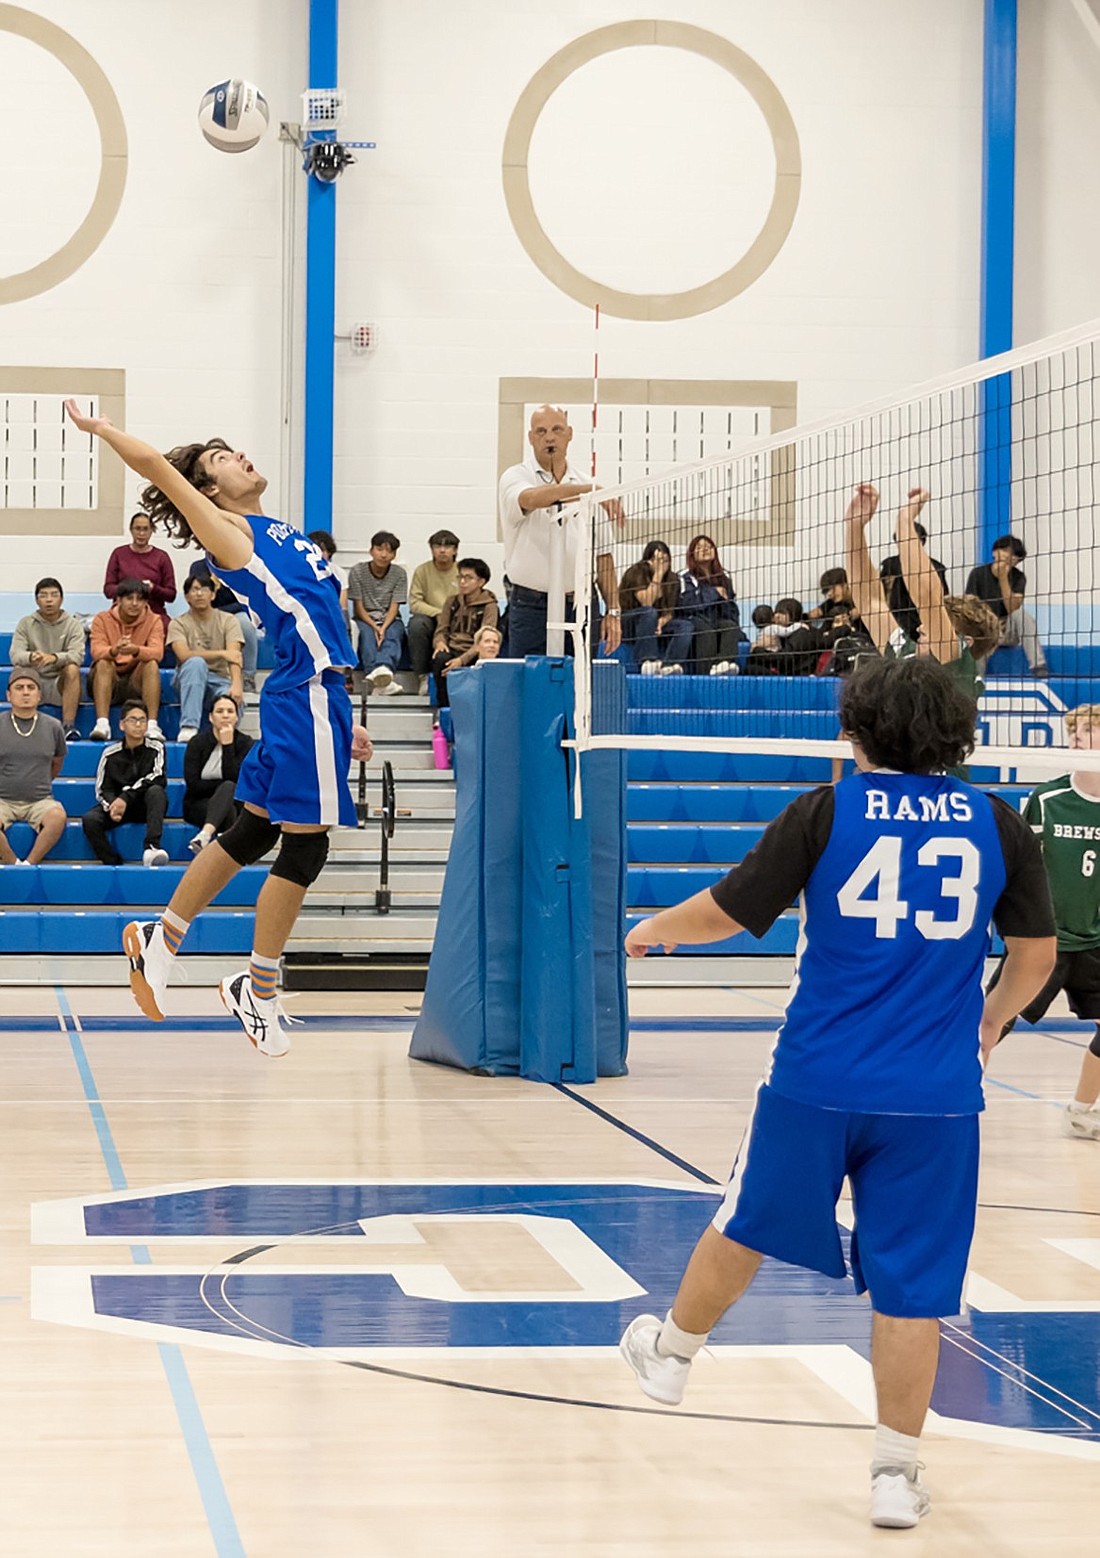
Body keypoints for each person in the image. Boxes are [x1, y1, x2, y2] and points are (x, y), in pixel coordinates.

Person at [619, 655, 1056, 1531]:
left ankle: (672, 1354)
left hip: (815, 1078)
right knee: (913, 1285)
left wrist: (653, 932)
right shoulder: (997, 822)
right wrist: (990, 1024)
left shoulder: (826, 811)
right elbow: (1035, 959)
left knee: (744, 1221)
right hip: (935, 1098)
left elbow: (730, 911)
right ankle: (895, 1474)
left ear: (855, 728)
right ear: (956, 732)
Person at [64, 400, 371, 1058]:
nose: (239, 457)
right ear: (207, 490)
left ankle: (162, 937)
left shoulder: (280, 527)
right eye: (221, 459)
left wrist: (343, 718)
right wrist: (100, 430)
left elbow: (319, 620)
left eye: (234, 449)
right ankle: (257, 989)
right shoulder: (230, 532)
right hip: (305, 696)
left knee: (254, 828)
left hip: (318, 696)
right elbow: (152, 463)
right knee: (306, 848)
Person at [988, 703, 1100, 1140]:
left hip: (1094, 941)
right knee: (990, 1023)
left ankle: (1080, 1109)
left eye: (1087, 731)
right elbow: (1022, 868)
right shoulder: (1047, 799)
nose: (1075, 738)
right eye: (1072, 732)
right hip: (1044, 941)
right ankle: (946, 1099)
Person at [498, 404, 621, 658]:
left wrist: (613, 611)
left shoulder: (586, 485)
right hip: (531, 606)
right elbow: (531, 499)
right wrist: (586, 491)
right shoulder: (516, 476)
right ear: (531, 438)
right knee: (533, 686)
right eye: (541, 431)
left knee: (579, 689)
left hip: (581, 605)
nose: (549, 437)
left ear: (570, 434)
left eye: (557, 429)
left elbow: (604, 557)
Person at [81, 699, 169, 867]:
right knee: (90, 820)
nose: (138, 724)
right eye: (132, 720)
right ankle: (113, 862)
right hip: (119, 807)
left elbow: (157, 777)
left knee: (157, 791)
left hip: (145, 804)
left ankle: (152, 847)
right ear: (122, 725)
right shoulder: (110, 753)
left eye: (142, 720)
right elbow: (102, 789)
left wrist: (126, 797)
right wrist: (112, 805)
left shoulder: (157, 748)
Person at [0, 670, 68, 866]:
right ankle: (13, 864)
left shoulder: (54, 726)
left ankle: (29, 863)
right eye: (19, 688)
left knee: (58, 816)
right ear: (9, 695)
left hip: (40, 800)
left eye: (31, 688)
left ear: (39, 695)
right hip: (2, 800)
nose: (26, 692)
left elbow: (57, 762)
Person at [168, 573, 244, 742]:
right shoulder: (178, 623)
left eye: (204, 589)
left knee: (230, 697)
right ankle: (189, 726)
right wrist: (221, 653)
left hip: (220, 678)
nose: (199, 594)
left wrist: (237, 684)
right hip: (187, 678)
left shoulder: (228, 620)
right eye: (194, 590)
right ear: (187, 597)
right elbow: (184, 655)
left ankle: (225, 734)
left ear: (213, 594)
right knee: (196, 663)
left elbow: (234, 655)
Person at [88, 580, 165, 742]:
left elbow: (157, 652)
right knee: (103, 662)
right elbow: (96, 651)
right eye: (130, 598)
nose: (135, 604)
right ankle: (102, 724)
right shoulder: (102, 619)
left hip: (136, 679)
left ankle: (151, 724)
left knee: (151, 663)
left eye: (140, 599)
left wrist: (136, 650)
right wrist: (114, 650)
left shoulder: (155, 620)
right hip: (110, 678)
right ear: (118, 600)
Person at [10, 577, 85, 740]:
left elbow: (77, 655)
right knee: (19, 670)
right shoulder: (26, 623)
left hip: (60, 681)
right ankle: (23, 723)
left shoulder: (73, 625)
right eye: (43, 595)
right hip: (35, 678)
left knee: (72, 669)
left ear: (62, 599)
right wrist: (31, 656)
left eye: (53, 595)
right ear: (36, 600)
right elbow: (15, 654)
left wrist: (54, 658)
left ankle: (68, 726)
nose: (49, 600)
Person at [964, 535, 1049, 676]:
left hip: (1007, 631)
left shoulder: (1018, 577)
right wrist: (991, 625)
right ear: (994, 552)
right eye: (1004, 551)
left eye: (1014, 555)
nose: (1008, 556)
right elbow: (970, 607)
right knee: (977, 636)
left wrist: (1003, 578)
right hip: (984, 629)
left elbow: (1012, 608)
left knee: (1021, 615)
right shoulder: (978, 574)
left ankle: (1038, 666)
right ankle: (975, 678)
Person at [182, 693, 255, 854]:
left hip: (234, 803)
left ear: (237, 717)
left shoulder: (245, 743)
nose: (225, 715)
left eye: (230, 711)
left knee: (230, 795)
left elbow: (240, 781)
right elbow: (193, 785)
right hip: (198, 804)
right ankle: (230, 854)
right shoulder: (197, 743)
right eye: (220, 711)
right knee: (228, 793)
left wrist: (228, 745)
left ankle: (205, 835)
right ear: (210, 717)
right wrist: (222, 788)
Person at [430, 559, 498, 708]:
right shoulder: (452, 601)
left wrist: (462, 660)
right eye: (460, 577)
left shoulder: (489, 606)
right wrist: (440, 642)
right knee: (441, 659)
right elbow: (442, 628)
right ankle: (444, 710)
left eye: (468, 578)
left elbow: (484, 638)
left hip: (474, 652)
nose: (462, 582)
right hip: (452, 648)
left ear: (481, 581)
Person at [186, 557, 261, 692]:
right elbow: (195, 597)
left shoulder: (239, 566)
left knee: (246, 624)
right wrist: (213, 588)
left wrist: (221, 612)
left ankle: (248, 676)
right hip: (206, 612)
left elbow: (245, 601)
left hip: (235, 611)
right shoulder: (198, 567)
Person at [348, 531, 407, 695]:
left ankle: (384, 671)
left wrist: (383, 628)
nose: (384, 555)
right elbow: (358, 607)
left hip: (390, 618)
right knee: (366, 636)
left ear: (394, 555)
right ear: (371, 550)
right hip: (365, 618)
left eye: (389, 551)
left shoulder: (399, 574)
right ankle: (377, 679)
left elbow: (394, 607)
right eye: (380, 549)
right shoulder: (357, 571)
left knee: (394, 633)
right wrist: (375, 627)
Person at [620, 542, 692, 674]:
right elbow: (647, 602)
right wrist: (658, 574)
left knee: (685, 626)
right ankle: (647, 660)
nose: (662, 564)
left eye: (665, 560)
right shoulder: (635, 573)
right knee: (649, 612)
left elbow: (670, 611)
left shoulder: (673, 579)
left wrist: (661, 622)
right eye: (658, 560)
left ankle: (670, 665)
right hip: (630, 623)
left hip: (655, 624)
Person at [679, 535, 743, 675]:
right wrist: (713, 593)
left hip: (716, 620)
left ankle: (723, 665)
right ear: (692, 554)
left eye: (709, 546)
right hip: (694, 620)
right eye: (699, 547)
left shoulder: (724, 577)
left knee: (730, 627)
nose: (705, 549)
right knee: (706, 631)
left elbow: (731, 607)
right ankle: (706, 673)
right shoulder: (684, 577)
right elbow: (687, 605)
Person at [104, 511, 177, 632]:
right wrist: (128, 589)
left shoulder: (162, 557)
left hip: (154, 613)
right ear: (131, 530)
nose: (141, 533)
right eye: (138, 529)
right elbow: (108, 590)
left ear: (151, 531)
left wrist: (153, 588)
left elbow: (171, 595)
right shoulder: (118, 554)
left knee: (167, 628)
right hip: (123, 614)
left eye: (145, 529)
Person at [408, 530, 460, 696]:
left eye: (447, 546)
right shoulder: (422, 571)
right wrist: (439, 613)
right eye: (438, 546)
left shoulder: (462, 571)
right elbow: (415, 603)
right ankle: (423, 677)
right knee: (416, 624)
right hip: (431, 618)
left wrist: (448, 615)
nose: (442, 550)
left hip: (456, 618)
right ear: (431, 549)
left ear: (455, 550)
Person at [879, 520, 949, 643]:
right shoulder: (890, 565)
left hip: (927, 624)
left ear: (921, 542)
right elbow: (880, 595)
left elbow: (944, 598)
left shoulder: (936, 568)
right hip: (897, 623)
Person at [307, 530, 349, 615]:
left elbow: (342, 606)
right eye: (314, 550)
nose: (318, 554)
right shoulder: (303, 572)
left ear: (329, 552)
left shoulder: (339, 572)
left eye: (322, 550)